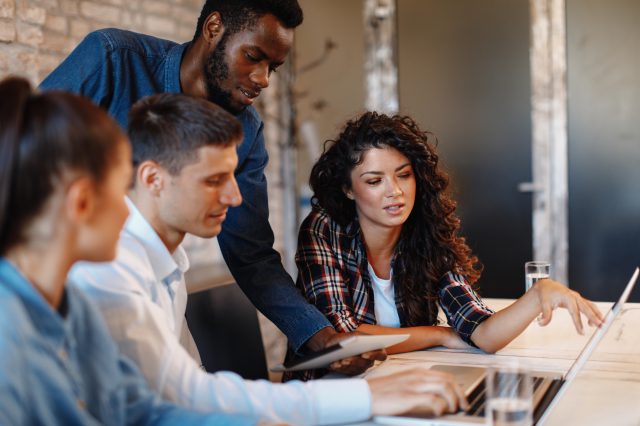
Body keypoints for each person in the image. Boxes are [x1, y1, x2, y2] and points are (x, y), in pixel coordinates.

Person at [69, 93, 467, 425]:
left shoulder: (164, 259)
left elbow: (194, 385)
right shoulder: (110, 269)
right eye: (213, 181)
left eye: (233, 177)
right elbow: (184, 395)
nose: (235, 197)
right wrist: (364, 397)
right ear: (153, 179)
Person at [39, 0, 366, 367]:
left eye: (273, 67)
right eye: (253, 56)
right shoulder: (113, 59)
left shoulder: (247, 129)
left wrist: (319, 336)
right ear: (213, 29)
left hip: (157, 302)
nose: (262, 79)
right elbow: (22, 159)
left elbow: (250, 253)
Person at [0, 77, 255, 425]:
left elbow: (138, 409)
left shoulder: (73, 307)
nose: (128, 210)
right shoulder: (8, 337)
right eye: (122, 188)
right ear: (82, 202)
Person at [292, 111, 605, 380]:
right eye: (375, 181)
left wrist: (538, 295)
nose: (395, 192)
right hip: (331, 394)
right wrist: (439, 334)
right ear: (348, 189)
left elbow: (482, 332)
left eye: (404, 175)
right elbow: (344, 339)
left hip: (404, 382)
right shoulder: (324, 230)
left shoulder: (425, 231)